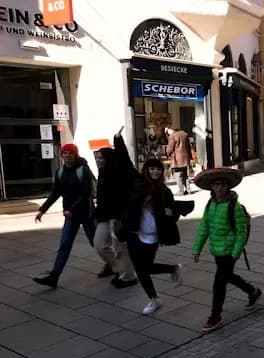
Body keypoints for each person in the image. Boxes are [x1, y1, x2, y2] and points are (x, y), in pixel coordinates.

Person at [192, 168, 262, 332]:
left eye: (222, 185)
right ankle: (252, 291)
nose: (219, 188)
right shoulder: (210, 204)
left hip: (230, 251)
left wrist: (235, 253)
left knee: (219, 284)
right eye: (216, 185)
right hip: (217, 250)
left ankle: (215, 316)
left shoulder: (234, 207)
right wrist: (197, 249)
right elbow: (204, 227)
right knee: (227, 276)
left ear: (228, 186)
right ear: (211, 187)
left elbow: (241, 232)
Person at [119, 158, 184, 315]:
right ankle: (153, 299)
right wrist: (118, 139)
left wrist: (168, 215)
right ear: (146, 170)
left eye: (158, 169)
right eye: (152, 168)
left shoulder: (164, 192)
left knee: (146, 267)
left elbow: (172, 213)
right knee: (140, 269)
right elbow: (126, 164)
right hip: (134, 233)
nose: (155, 171)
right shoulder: (137, 186)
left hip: (152, 235)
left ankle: (172, 269)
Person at [33, 143, 98, 288]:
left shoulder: (83, 170)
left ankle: (116, 266)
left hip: (86, 214)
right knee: (64, 245)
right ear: (62, 155)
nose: (67, 156)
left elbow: (85, 193)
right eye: (65, 153)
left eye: (70, 153)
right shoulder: (60, 171)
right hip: (71, 215)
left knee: (97, 244)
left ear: (75, 155)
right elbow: (56, 193)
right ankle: (54, 276)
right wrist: (43, 209)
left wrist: (72, 209)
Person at [94, 128, 138, 288]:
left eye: (101, 158)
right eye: (97, 158)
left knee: (119, 247)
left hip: (119, 215)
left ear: (108, 159)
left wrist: (117, 139)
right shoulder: (102, 173)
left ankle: (128, 276)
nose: (98, 160)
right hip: (105, 216)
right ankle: (118, 268)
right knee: (99, 245)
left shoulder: (119, 172)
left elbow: (124, 158)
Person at [166, 126, 192, 195]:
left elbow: (170, 149)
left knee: (178, 175)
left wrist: (167, 153)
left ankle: (181, 191)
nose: (168, 133)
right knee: (185, 175)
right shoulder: (185, 134)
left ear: (171, 130)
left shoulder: (172, 136)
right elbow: (189, 146)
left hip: (177, 159)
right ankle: (188, 190)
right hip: (185, 158)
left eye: (168, 131)